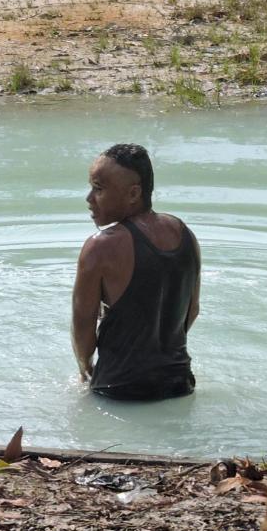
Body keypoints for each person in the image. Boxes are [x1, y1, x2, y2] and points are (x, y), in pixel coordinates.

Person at [71, 144, 201, 400]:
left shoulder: (100, 247)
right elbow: (192, 310)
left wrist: (85, 368)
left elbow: (82, 323)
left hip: (119, 391)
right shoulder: (185, 234)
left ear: (133, 194)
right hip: (180, 386)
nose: (89, 198)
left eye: (99, 189)